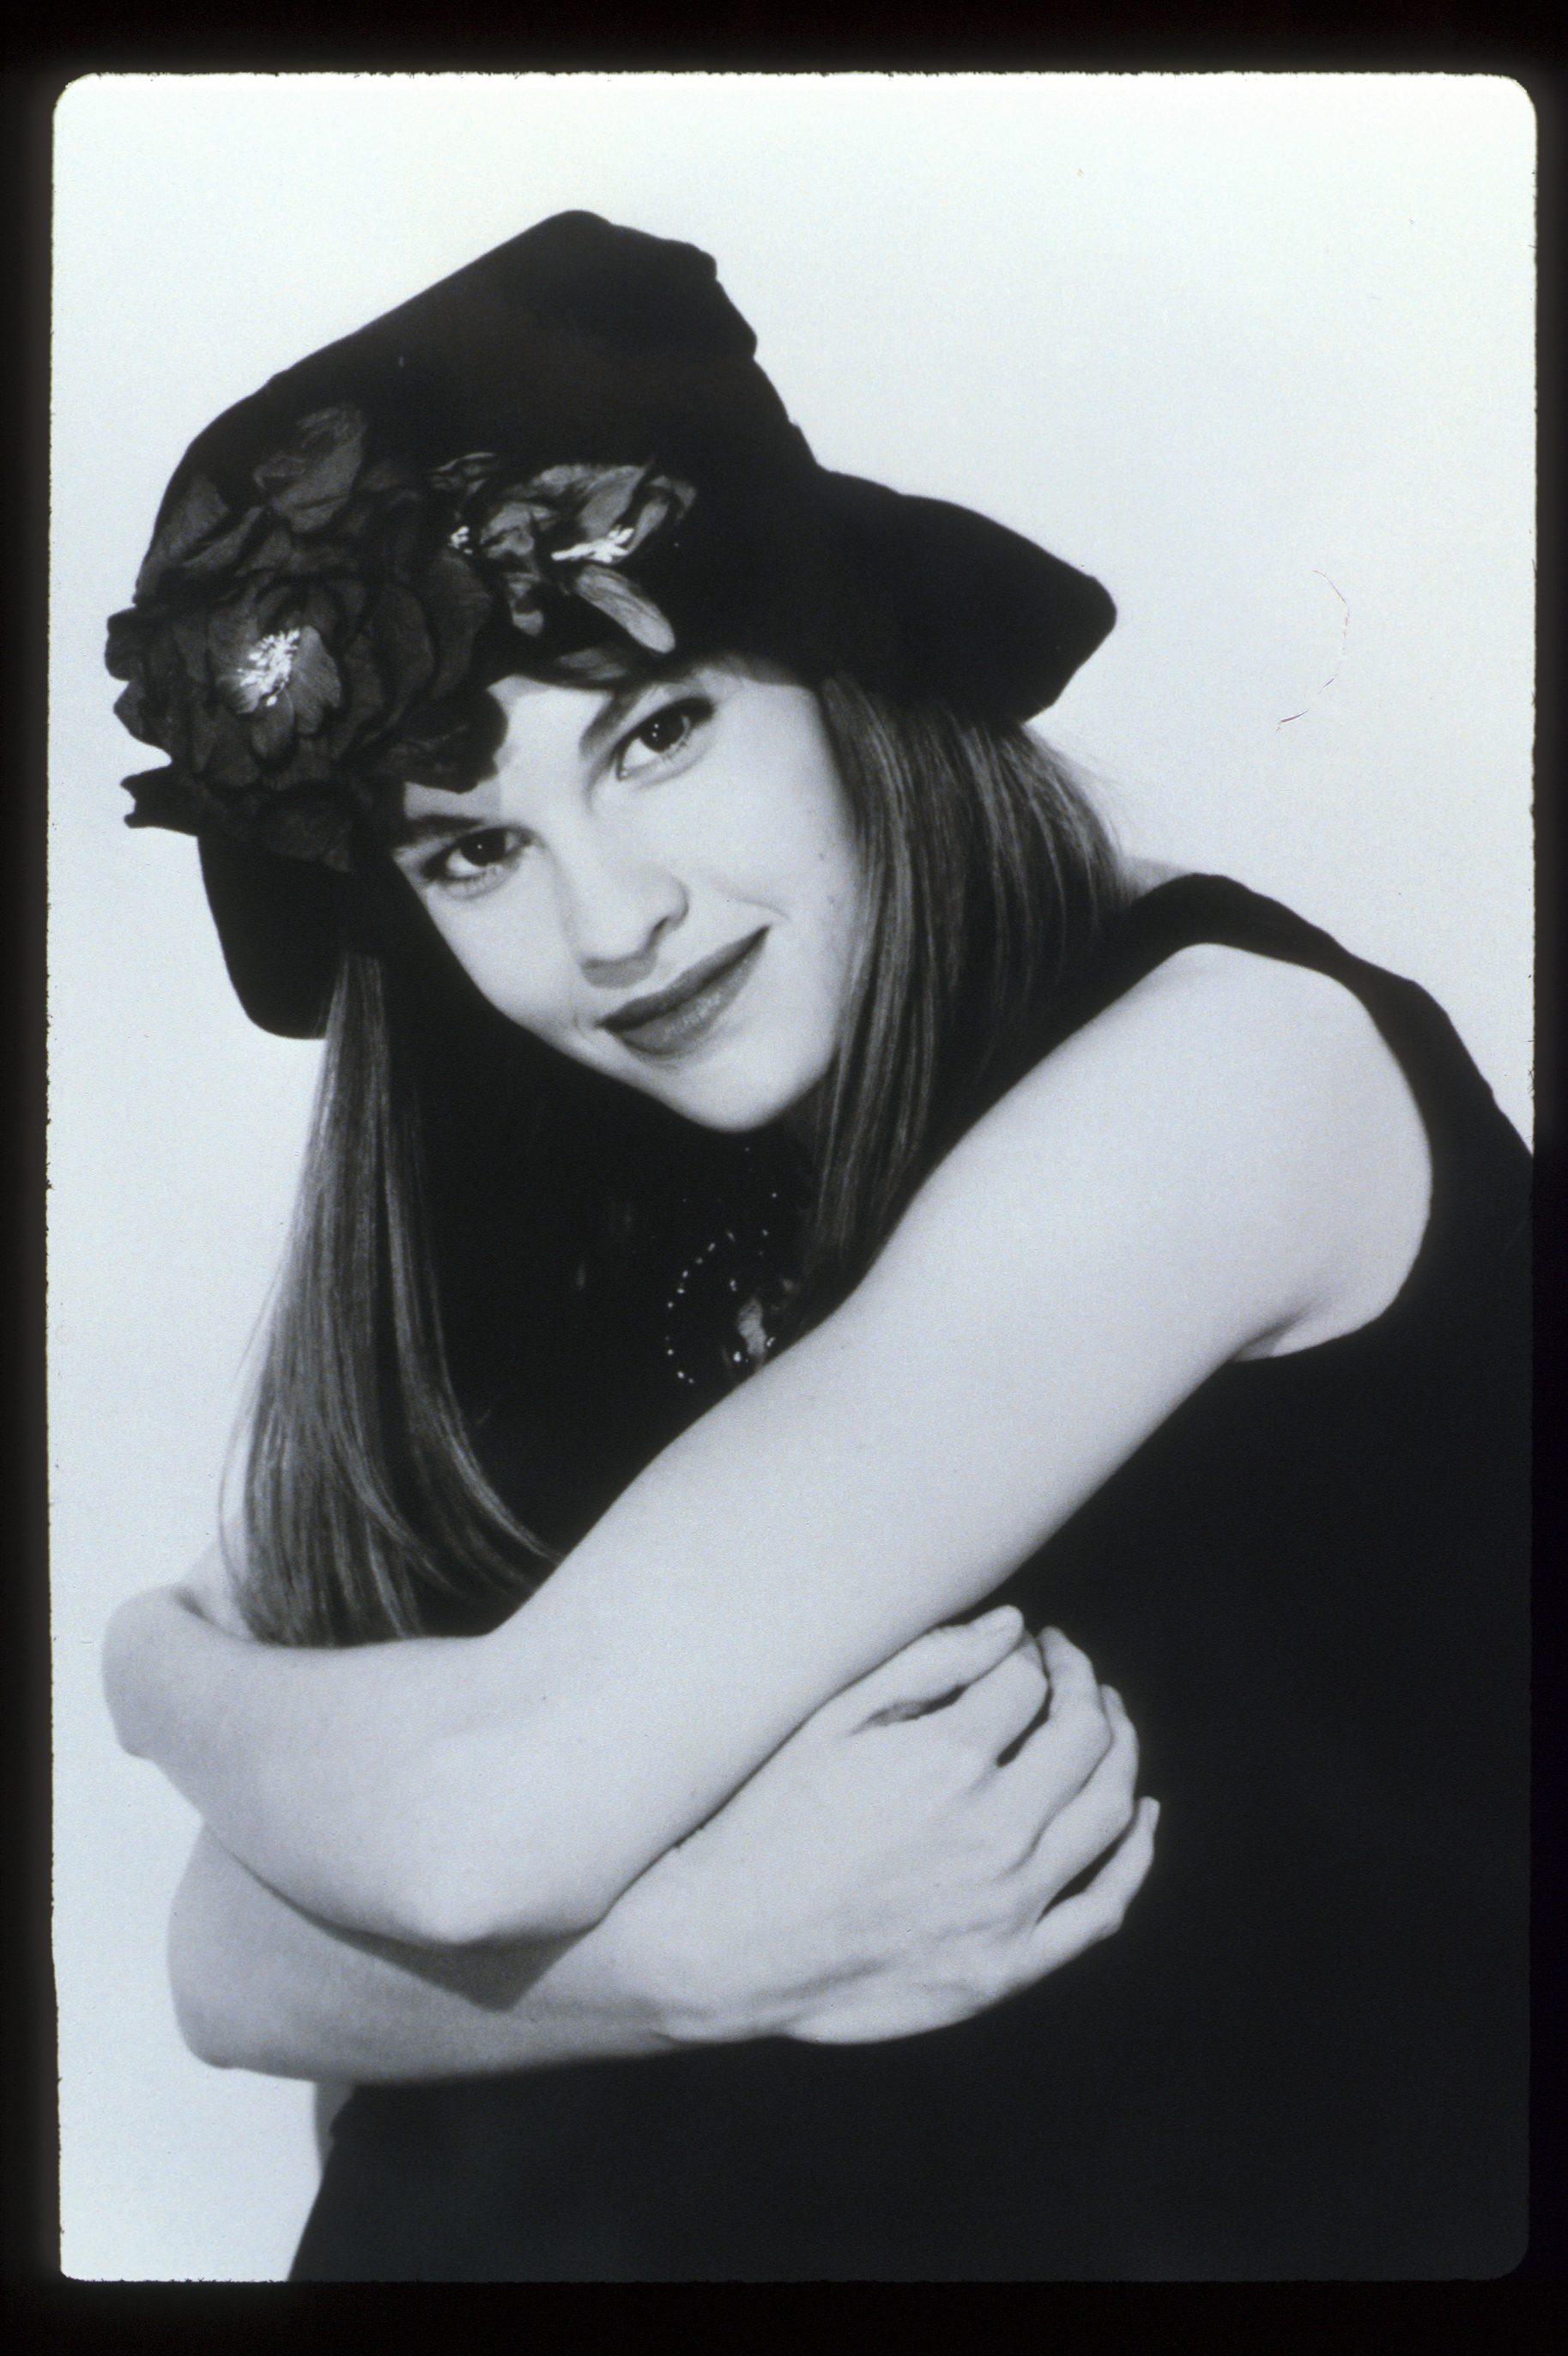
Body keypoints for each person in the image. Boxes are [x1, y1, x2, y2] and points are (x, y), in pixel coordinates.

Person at [100, 214, 1529, 2280]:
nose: (609, 922)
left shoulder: (1233, 1072)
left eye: (656, 730)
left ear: (848, 670)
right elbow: (224, 1961)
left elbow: (464, 1823)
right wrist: (688, 1956)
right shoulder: (598, 1200)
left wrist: (158, 1667)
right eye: (472, 847)